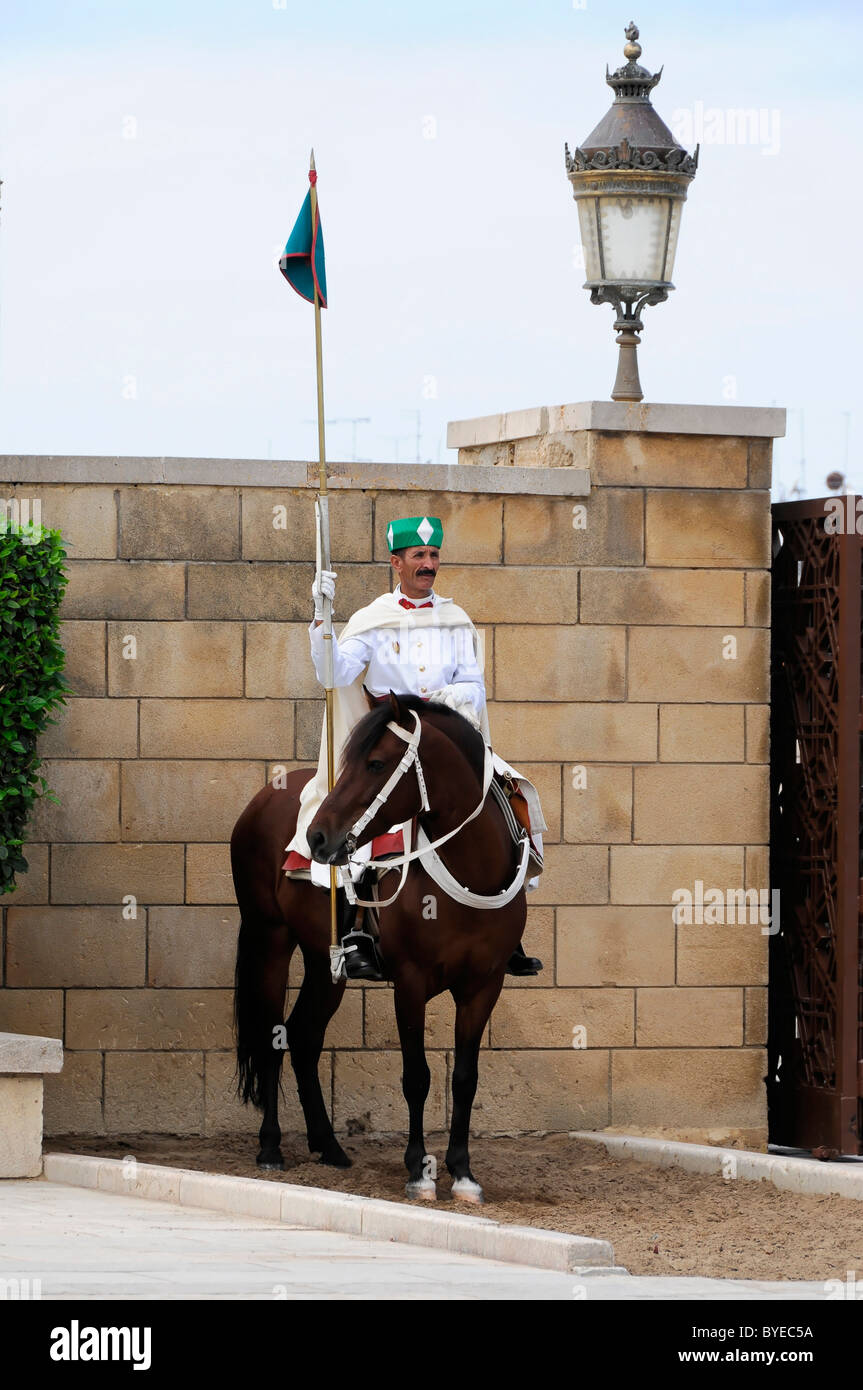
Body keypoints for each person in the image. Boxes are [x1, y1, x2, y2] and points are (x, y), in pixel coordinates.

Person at [284, 514, 545, 980]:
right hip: (392, 738)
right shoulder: (372, 619)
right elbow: (334, 675)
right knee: (365, 813)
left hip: (443, 739)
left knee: (515, 795)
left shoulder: (456, 619)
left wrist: (454, 698)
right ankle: (358, 931)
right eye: (419, 556)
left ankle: (507, 925)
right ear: (396, 563)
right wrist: (322, 617)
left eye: (433, 555)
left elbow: (475, 685)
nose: (428, 564)